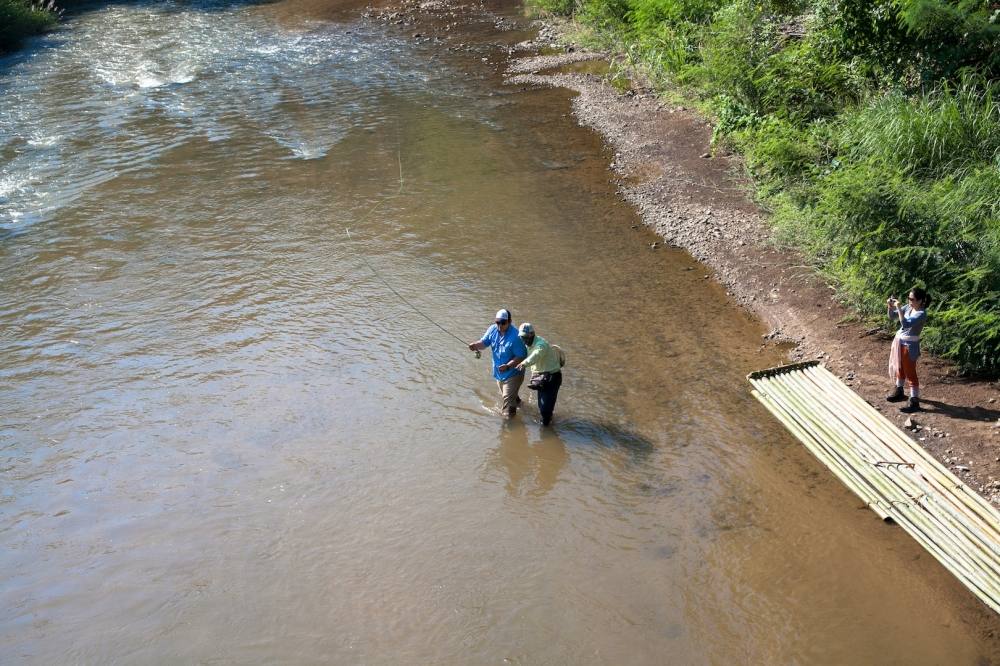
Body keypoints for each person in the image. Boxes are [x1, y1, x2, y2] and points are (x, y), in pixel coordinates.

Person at [469, 309, 527, 418]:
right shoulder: (492, 330)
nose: (500, 325)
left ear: (509, 322)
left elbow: (522, 356)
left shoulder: (516, 337)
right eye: (497, 322)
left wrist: (508, 365)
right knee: (509, 396)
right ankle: (523, 406)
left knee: (507, 404)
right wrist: (475, 345)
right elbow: (484, 343)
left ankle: (509, 424)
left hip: (513, 373)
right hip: (499, 372)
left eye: (503, 322)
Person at [886, 287, 931, 413]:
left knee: (910, 373)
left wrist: (899, 307)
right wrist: (890, 306)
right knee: (899, 367)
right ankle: (899, 390)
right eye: (909, 298)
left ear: (921, 301)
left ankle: (914, 400)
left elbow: (905, 324)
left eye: (912, 299)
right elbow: (892, 316)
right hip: (900, 342)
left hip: (910, 345)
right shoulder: (909, 308)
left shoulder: (921, 313)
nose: (910, 301)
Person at [515, 322, 563, 426]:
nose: (524, 340)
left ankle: (547, 429)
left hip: (552, 377)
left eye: (526, 337)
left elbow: (536, 355)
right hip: (540, 377)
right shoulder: (527, 344)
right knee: (542, 407)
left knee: (545, 410)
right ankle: (548, 419)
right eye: (522, 337)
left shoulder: (541, 345)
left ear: (532, 335)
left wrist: (524, 363)